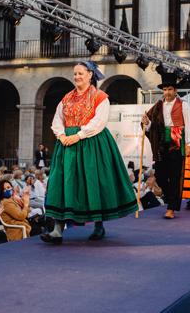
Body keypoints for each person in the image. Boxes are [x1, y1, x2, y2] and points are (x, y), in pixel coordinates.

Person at [42, 61, 137, 244]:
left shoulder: (100, 97)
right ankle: (57, 230)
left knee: (93, 181)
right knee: (62, 183)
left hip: (91, 144)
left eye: (80, 73)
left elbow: (99, 123)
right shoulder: (66, 98)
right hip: (67, 145)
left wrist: (78, 135)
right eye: (75, 74)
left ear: (90, 75)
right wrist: (61, 135)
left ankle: (98, 225)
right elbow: (57, 119)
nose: (77, 77)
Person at [142, 72, 190, 220]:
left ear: (175, 91)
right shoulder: (158, 106)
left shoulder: (183, 105)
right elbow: (150, 125)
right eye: (165, 89)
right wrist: (147, 124)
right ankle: (170, 198)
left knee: (174, 177)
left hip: (177, 143)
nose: (167, 92)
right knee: (159, 175)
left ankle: (171, 208)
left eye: (170, 89)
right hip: (160, 144)